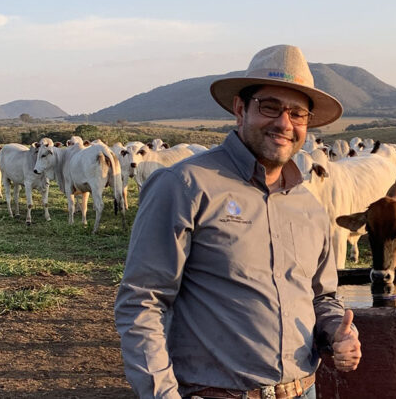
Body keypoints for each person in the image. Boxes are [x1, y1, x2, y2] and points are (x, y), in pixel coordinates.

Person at [115, 44, 361, 399]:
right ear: (240, 109)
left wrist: (338, 331)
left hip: (303, 391)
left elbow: (322, 297)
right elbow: (142, 302)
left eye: (297, 114)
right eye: (270, 107)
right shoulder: (185, 186)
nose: (284, 123)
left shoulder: (308, 206)